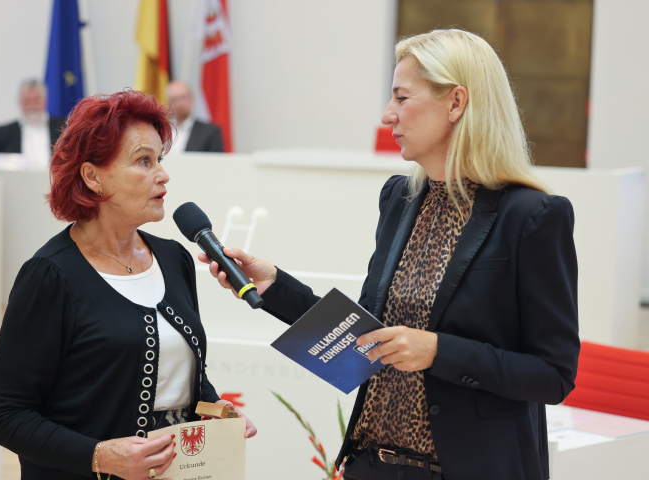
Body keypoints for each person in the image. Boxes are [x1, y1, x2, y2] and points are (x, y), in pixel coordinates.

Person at [200, 29, 579, 480]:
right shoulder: (399, 198)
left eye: (401, 97)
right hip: (372, 465)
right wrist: (275, 286)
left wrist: (438, 350)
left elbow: (553, 374)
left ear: (456, 103)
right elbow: (367, 335)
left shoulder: (533, 215)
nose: (387, 116)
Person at [0, 89, 255, 480]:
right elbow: (6, 414)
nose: (163, 174)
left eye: (160, 159)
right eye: (143, 161)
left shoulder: (173, 259)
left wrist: (217, 410)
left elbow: (178, 374)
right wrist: (99, 456)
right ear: (93, 176)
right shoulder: (50, 276)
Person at [0, 78, 65, 166]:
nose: (31, 105)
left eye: (36, 100)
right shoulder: (2, 134)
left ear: (45, 100)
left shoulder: (63, 129)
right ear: (18, 101)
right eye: (26, 101)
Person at [165, 80, 224, 153]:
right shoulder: (160, 130)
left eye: (183, 98)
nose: (179, 103)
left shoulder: (210, 132)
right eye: (174, 99)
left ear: (191, 99)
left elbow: (216, 162)